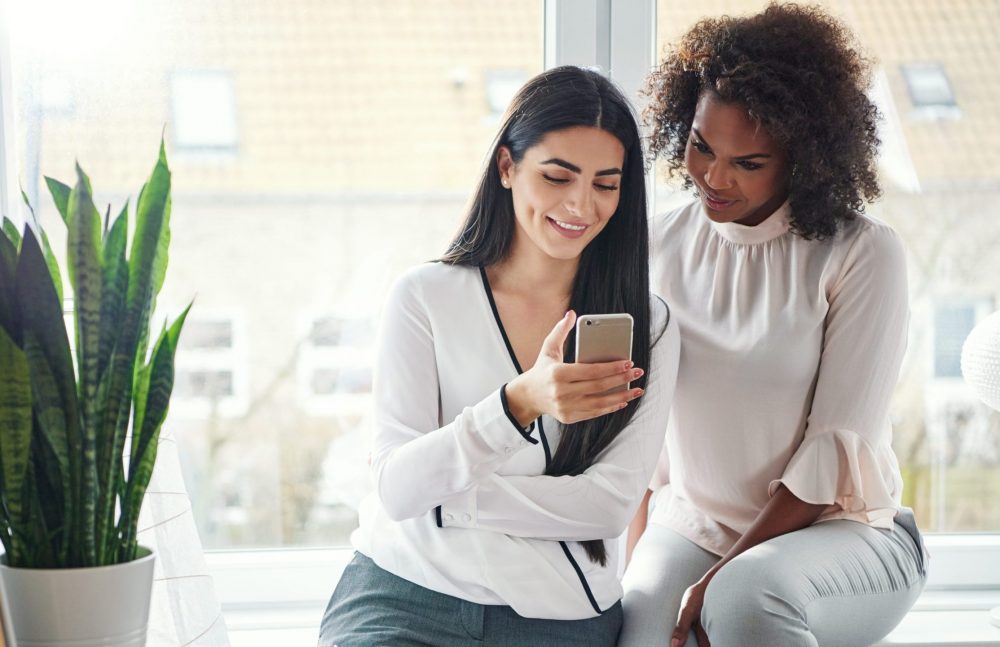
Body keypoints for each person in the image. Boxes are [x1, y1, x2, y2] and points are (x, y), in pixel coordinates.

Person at [319, 65, 679, 647]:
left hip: (558, 613)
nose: (581, 205)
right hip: (403, 594)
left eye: (606, 184)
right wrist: (520, 401)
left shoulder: (651, 326)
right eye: (558, 176)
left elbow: (606, 508)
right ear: (508, 167)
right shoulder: (425, 297)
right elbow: (397, 489)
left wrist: (443, 500)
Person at [619, 5, 929, 647]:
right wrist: (633, 575)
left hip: (841, 539)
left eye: (749, 162)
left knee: (743, 599)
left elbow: (832, 455)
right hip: (695, 525)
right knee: (634, 623)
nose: (714, 175)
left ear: (803, 156)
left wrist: (719, 579)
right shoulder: (658, 244)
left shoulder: (862, 253)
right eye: (702, 144)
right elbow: (643, 440)